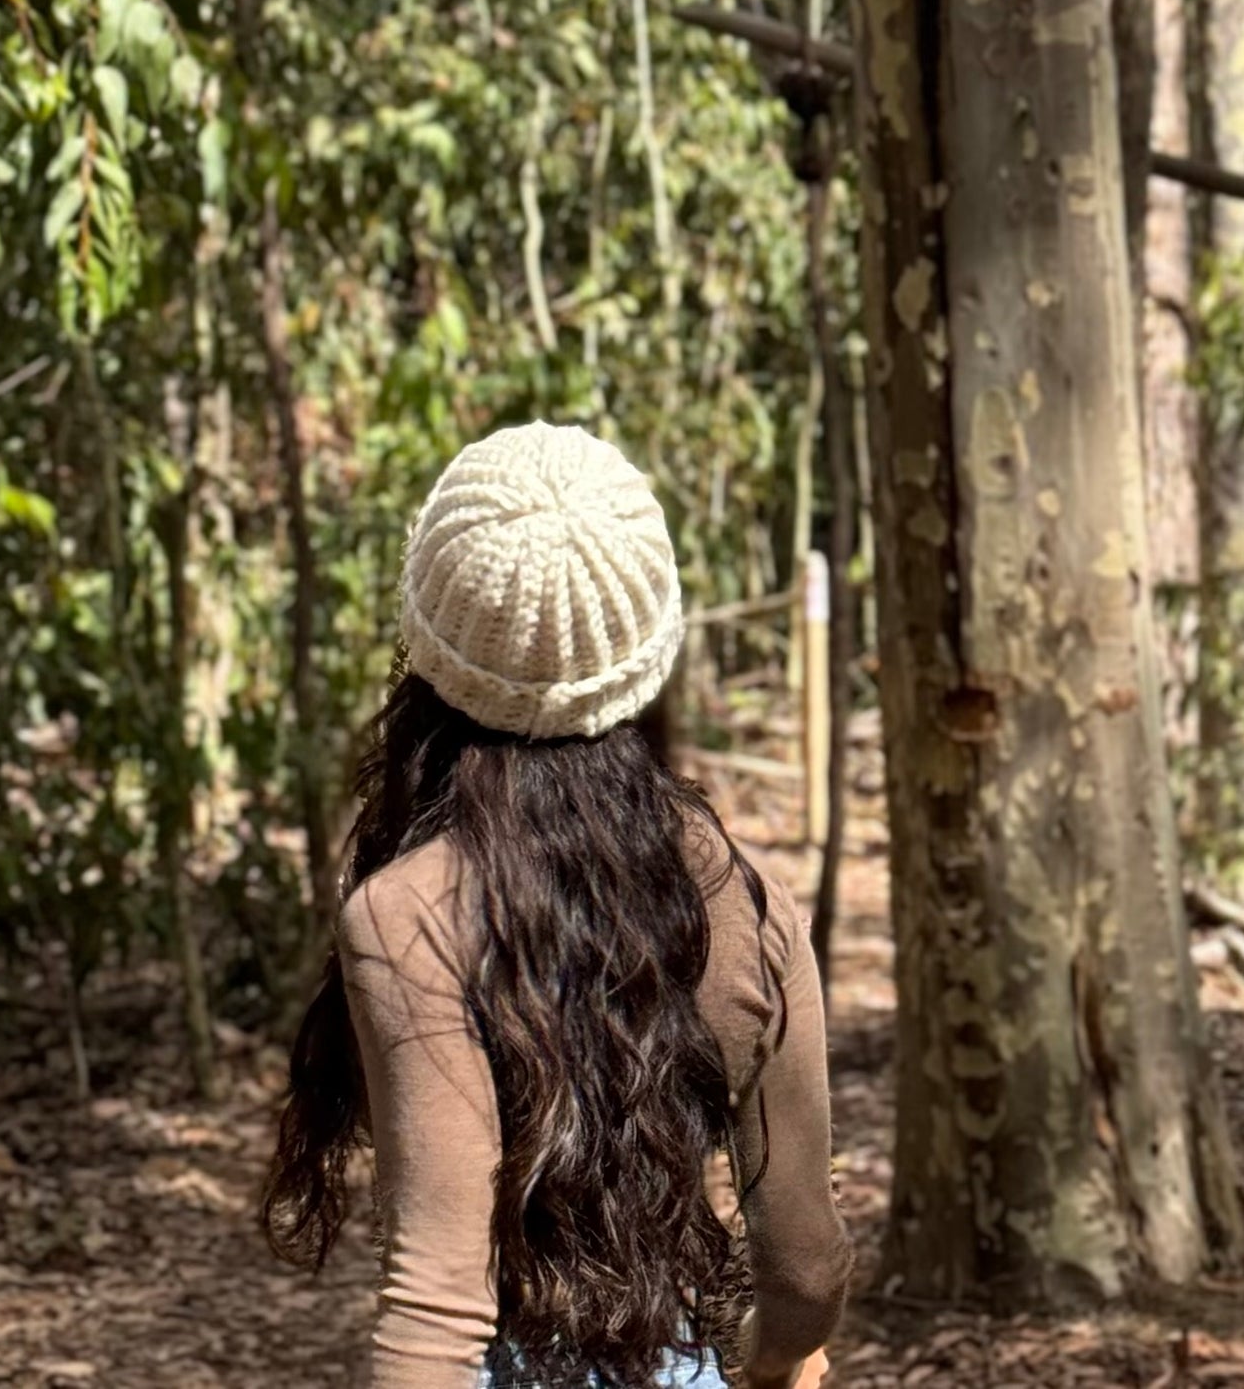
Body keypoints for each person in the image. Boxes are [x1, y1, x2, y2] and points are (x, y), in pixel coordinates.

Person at [264, 422, 853, 1389]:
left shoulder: (407, 918)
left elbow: (435, 1311)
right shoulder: (748, 906)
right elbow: (804, 1261)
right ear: (650, 649)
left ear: (429, 642)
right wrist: (772, 1360)